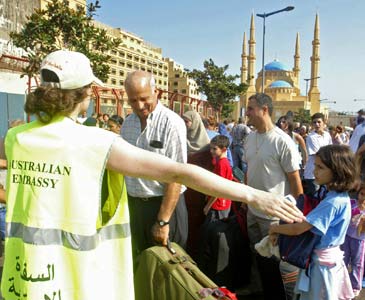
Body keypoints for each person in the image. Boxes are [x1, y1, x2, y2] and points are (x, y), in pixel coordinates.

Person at [1, 50, 302, 300]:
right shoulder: (93, 142)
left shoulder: (16, 139)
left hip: (24, 277)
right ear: (82, 95)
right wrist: (252, 195)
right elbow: (180, 172)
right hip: (76, 278)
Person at [269, 144, 356, 300]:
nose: (314, 171)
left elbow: (299, 229)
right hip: (327, 261)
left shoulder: (332, 202)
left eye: (320, 167)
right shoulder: (335, 196)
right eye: (315, 165)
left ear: (337, 171)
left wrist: (274, 228)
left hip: (322, 266)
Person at [121, 70, 188, 260]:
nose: (139, 106)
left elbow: (177, 176)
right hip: (136, 207)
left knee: (167, 268)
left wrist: (162, 222)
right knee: (141, 265)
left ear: (156, 92)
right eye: (133, 101)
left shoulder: (171, 123)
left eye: (144, 98)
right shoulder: (128, 124)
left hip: (164, 207)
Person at [244, 93, 303, 299]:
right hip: (252, 210)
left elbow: (295, 181)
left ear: (264, 110)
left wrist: (296, 214)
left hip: (273, 216)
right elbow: (249, 171)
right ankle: (259, 291)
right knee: (256, 256)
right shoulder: (250, 138)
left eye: (250, 108)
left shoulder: (282, 141)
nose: (247, 113)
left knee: (274, 262)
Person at [341, 183, 365, 297]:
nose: (363, 198)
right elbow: (345, 217)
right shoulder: (351, 203)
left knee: (357, 263)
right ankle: (341, 281)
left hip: (360, 240)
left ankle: (355, 286)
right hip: (346, 236)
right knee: (343, 259)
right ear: (358, 193)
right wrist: (357, 211)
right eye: (362, 194)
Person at [203, 135, 233, 221]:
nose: (211, 151)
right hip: (219, 203)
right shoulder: (220, 161)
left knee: (216, 228)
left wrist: (208, 205)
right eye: (211, 148)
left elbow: (219, 188)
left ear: (223, 149)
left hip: (219, 205)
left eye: (214, 149)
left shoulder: (222, 164)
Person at [303, 112, 332, 196]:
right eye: (314, 122)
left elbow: (330, 150)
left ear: (324, 123)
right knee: (313, 198)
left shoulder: (327, 135)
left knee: (323, 196)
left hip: (325, 172)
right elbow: (318, 154)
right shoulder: (311, 137)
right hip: (313, 174)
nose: (317, 124)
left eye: (319, 122)